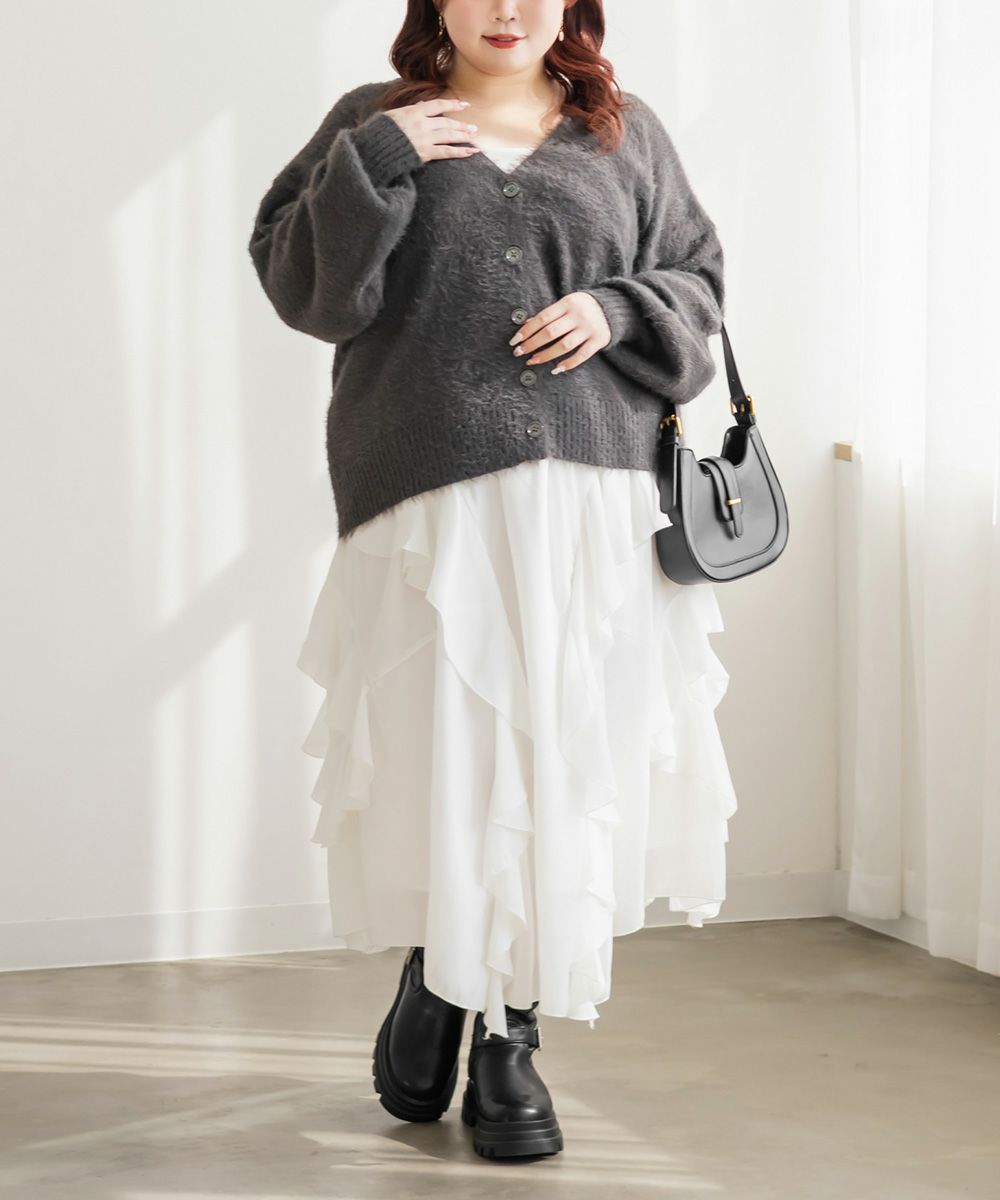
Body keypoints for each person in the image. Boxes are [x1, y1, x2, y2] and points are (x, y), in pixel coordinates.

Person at [248, 0, 738, 1161]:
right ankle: (440, 972)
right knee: (451, 763)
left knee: (560, 767)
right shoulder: (373, 120)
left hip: (592, 506)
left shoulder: (622, 133)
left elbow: (700, 282)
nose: (506, 9)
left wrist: (617, 308)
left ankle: (509, 1035)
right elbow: (307, 291)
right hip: (431, 503)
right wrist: (379, 159)